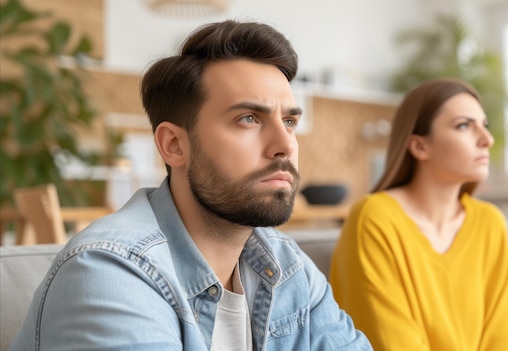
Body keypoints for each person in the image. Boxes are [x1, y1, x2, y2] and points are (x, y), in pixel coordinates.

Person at [9, 20, 371, 351]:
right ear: (174, 145)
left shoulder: (287, 266)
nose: (286, 144)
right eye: (248, 118)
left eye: (290, 120)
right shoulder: (109, 273)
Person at [329, 78, 508, 350]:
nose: (487, 139)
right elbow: (391, 341)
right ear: (419, 146)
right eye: (464, 125)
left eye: (485, 125)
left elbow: (504, 336)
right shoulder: (374, 218)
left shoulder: (489, 222)